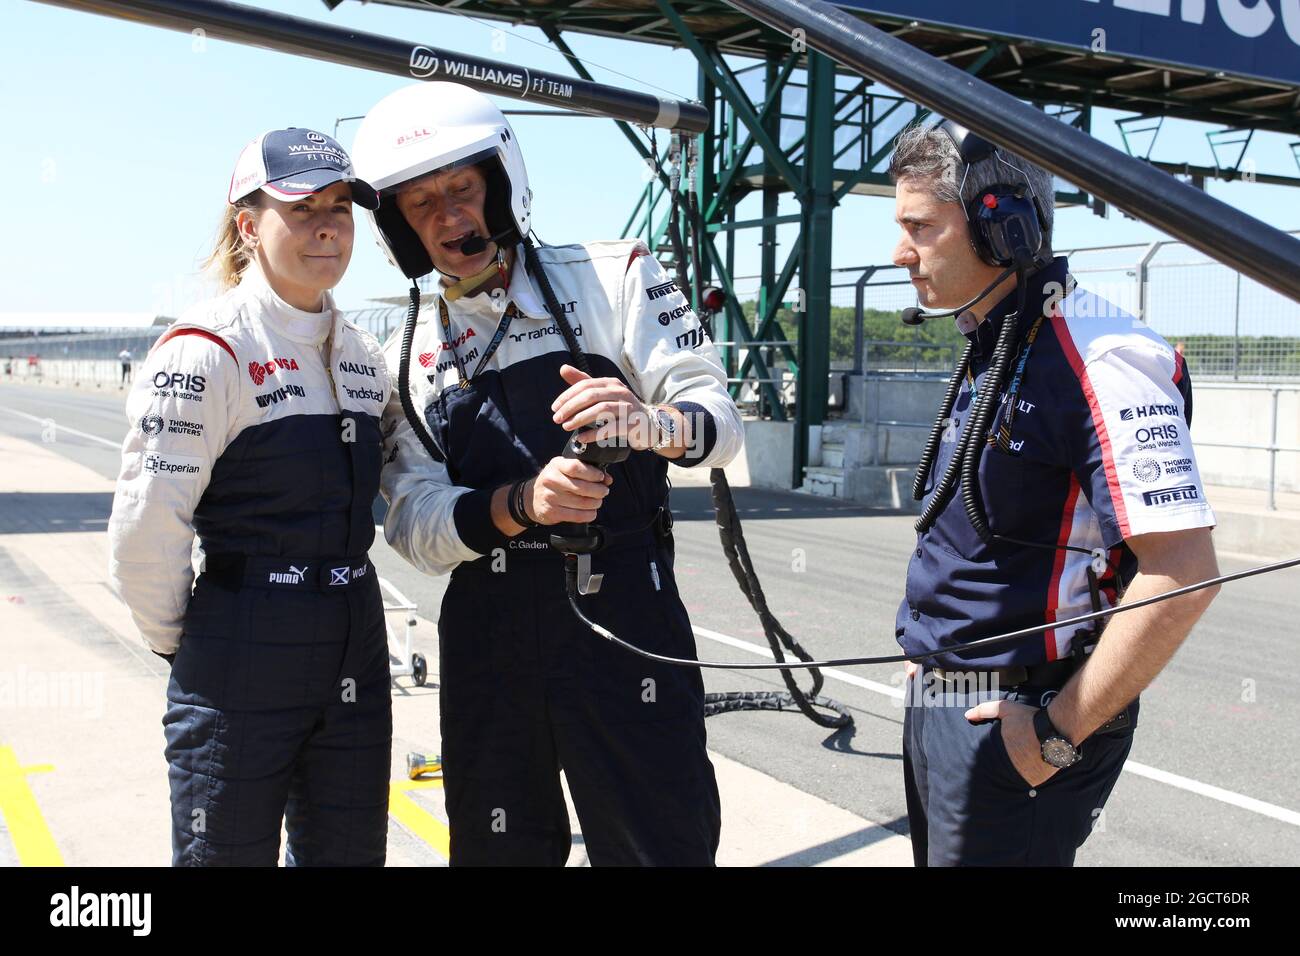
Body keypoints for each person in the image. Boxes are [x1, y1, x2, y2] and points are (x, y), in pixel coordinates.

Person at [351, 81, 743, 866]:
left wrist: (650, 422)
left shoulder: (618, 275)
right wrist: (521, 504)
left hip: (627, 609)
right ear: (398, 228)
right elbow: (415, 525)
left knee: (661, 842)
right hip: (488, 628)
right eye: (420, 205)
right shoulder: (399, 351)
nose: (448, 217)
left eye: (461, 189)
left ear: (501, 183)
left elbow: (721, 423)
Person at [888, 121, 1220, 866]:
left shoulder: (1104, 355)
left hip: (1026, 717)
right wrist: (937, 655)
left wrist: (1053, 735)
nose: (900, 252)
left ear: (1003, 226)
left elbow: (1183, 575)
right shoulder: (999, 338)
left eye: (920, 227)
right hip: (948, 698)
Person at [107, 128, 393, 866]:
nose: (326, 226)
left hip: (355, 644)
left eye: (339, 207)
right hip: (240, 644)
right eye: (300, 209)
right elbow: (145, 534)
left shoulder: (363, 356)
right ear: (247, 225)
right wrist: (199, 649)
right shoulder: (208, 349)